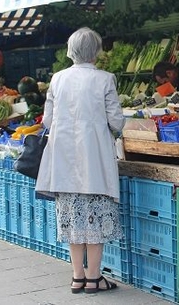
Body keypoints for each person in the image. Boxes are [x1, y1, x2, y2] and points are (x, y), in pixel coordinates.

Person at [35, 27, 125, 295]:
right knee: (95, 217)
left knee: (73, 218)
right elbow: (117, 120)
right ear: (96, 52)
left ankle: (77, 277)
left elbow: (47, 121)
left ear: (70, 50)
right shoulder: (105, 79)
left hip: (63, 159)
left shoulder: (57, 79)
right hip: (95, 159)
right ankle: (95, 278)